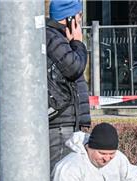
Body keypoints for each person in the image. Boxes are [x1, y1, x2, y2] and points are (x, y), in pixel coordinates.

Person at [46, 0, 91, 172]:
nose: (80, 23)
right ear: (70, 18)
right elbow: (74, 68)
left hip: (68, 122)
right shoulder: (53, 38)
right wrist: (78, 43)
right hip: (60, 124)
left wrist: (83, 121)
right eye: (79, 17)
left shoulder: (61, 39)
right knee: (60, 177)